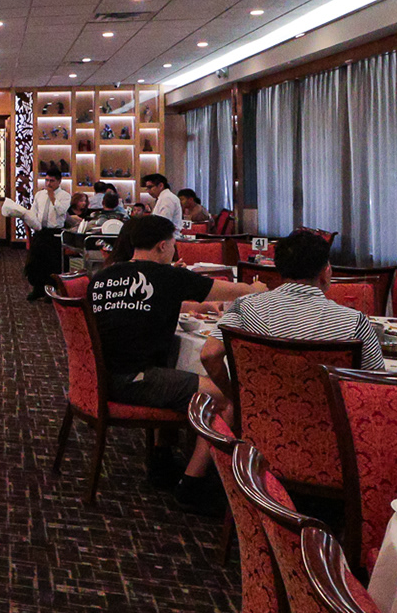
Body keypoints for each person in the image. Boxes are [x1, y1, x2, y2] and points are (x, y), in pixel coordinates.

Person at [88, 215, 267, 515]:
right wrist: (257, 288)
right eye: (173, 244)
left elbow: (146, 303)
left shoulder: (103, 277)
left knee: (173, 360)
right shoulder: (167, 276)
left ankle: (162, 459)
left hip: (102, 376)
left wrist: (197, 305)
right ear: (162, 245)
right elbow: (236, 292)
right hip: (134, 380)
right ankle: (192, 482)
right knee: (228, 397)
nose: (174, 249)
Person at [216, 230, 384, 370]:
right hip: (329, 402)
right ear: (325, 272)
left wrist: (234, 394)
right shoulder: (354, 323)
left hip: (258, 400)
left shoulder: (244, 308)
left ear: (279, 268)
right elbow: (376, 380)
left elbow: (209, 354)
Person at [2, 172, 73, 301]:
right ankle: (38, 289)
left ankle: (51, 290)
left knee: (52, 264)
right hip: (41, 232)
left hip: (55, 233)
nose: (48, 183)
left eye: (52, 181)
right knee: (36, 262)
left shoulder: (65, 196)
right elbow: (34, 212)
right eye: (47, 180)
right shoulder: (39, 195)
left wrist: (52, 198)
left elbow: (61, 211)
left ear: (59, 181)